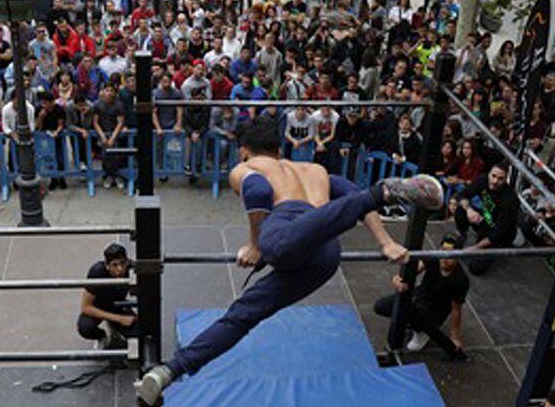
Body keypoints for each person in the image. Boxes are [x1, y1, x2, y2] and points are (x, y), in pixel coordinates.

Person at [136, 118, 445, 403]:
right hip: (324, 254)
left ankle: (382, 192)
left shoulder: (247, 168)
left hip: (287, 237)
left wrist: (254, 244)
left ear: (245, 151)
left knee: (254, 293)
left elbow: (256, 190)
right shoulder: (315, 170)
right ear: (279, 147)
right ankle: (167, 372)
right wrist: (386, 242)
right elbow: (353, 196)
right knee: (244, 311)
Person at [374, 234, 468, 358]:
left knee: (412, 313)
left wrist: (454, 337)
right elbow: (412, 271)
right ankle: (413, 323)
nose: (445, 258)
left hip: (434, 313)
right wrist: (399, 280)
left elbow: (456, 309)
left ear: (458, 256)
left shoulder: (460, 279)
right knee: (380, 306)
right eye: (443, 252)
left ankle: (422, 331)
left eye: (451, 255)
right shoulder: (434, 258)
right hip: (418, 298)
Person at [454, 162, 520, 276]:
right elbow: (462, 195)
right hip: (486, 219)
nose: (495, 181)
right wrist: (469, 210)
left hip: (500, 236)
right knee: (461, 210)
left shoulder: (510, 200)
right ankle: (463, 235)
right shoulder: (483, 180)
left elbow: (498, 234)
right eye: (493, 176)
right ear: (489, 174)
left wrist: (476, 247)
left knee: (475, 268)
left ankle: (489, 250)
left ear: (505, 180)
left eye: (500, 179)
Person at [77, 243, 137, 348]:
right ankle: (102, 337)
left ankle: (115, 328)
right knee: (86, 328)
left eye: (123, 263)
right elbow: (85, 307)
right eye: (115, 265)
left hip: (118, 304)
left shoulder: (132, 269)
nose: (120, 269)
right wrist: (119, 319)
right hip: (98, 305)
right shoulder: (97, 272)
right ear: (107, 265)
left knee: (138, 331)